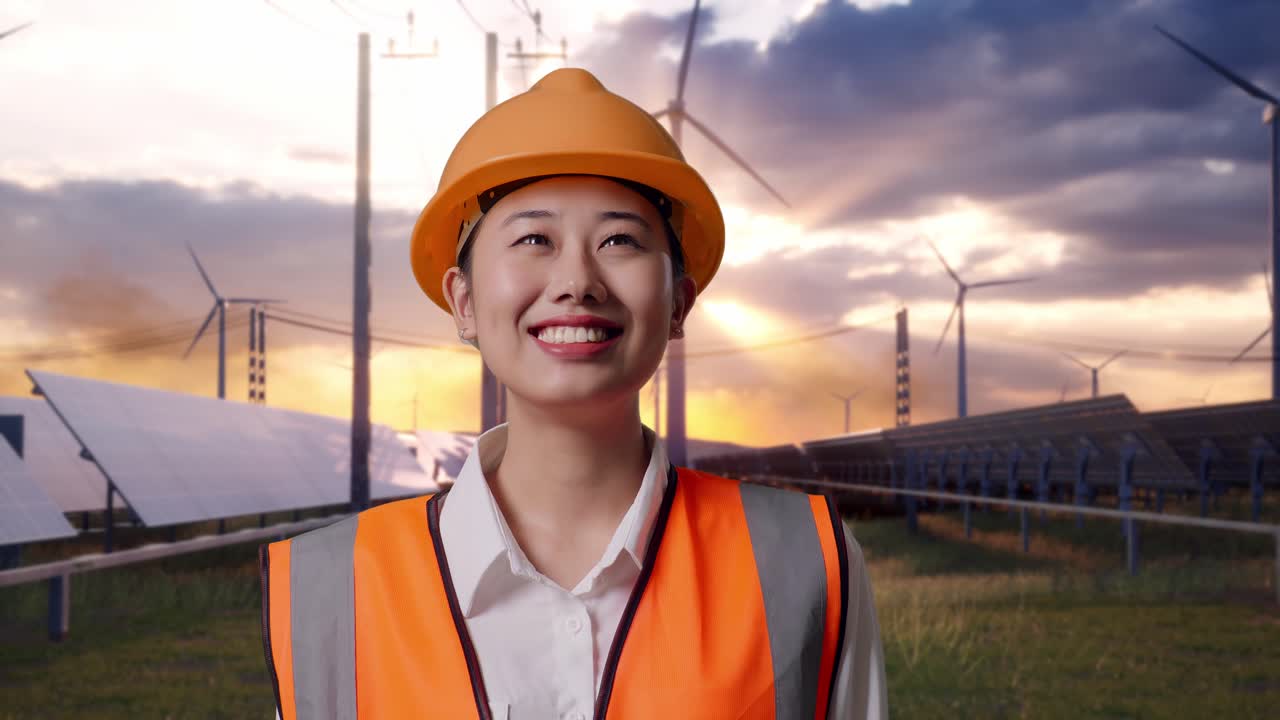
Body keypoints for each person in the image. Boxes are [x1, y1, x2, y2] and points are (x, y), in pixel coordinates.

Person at [260, 67, 886, 719]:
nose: (576, 281)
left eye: (620, 240)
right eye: (534, 239)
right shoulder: (328, 589)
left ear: (680, 302)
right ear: (464, 300)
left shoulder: (807, 560)